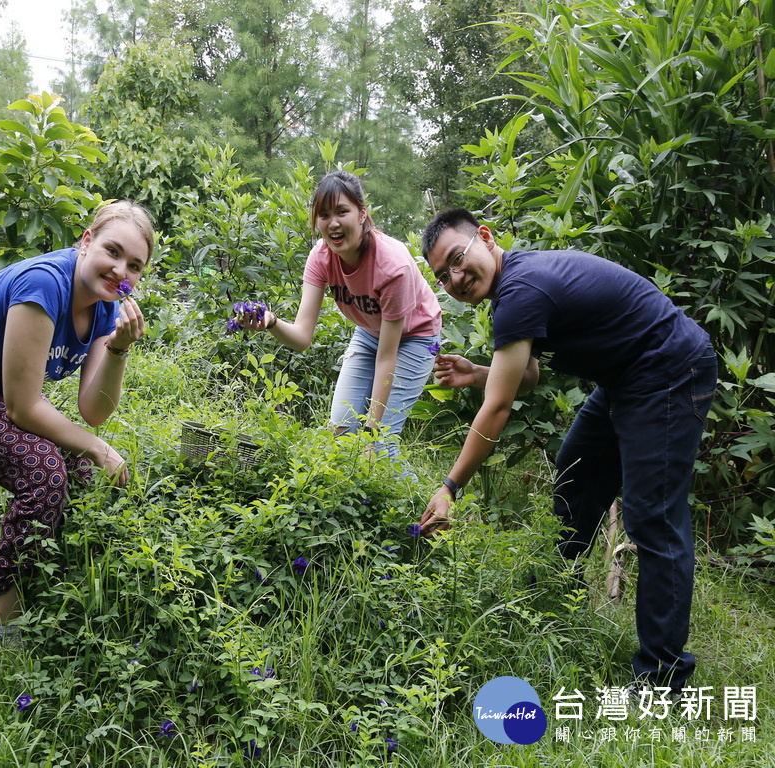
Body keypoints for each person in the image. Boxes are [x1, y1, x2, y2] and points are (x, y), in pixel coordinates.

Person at [417, 207, 716, 694]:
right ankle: (558, 602)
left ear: (485, 238)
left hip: (668, 369)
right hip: (627, 377)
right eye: (442, 275)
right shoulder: (513, 288)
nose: (454, 278)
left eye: (457, 258)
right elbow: (528, 376)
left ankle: (663, 677)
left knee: (652, 518)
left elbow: (498, 409)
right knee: (574, 469)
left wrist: (450, 487)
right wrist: (476, 372)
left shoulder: (520, 289)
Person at [0, 201, 153, 646]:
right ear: (86, 241)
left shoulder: (103, 308)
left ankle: (57, 583)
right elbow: (22, 407)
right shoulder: (44, 285)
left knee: (79, 472)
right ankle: (6, 626)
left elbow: (93, 411)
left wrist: (118, 348)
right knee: (43, 469)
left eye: (134, 265)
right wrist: (97, 446)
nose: (120, 270)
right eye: (112, 252)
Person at [235, 170, 442, 467]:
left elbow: (387, 356)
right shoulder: (321, 257)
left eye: (342, 211)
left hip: (415, 338)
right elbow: (303, 336)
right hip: (369, 333)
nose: (332, 223)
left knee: (381, 447)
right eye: (324, 214)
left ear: (362, 214)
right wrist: (271, 322)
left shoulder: (393, 266)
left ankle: (435, 508)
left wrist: (371, 432)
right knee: (341, 434)